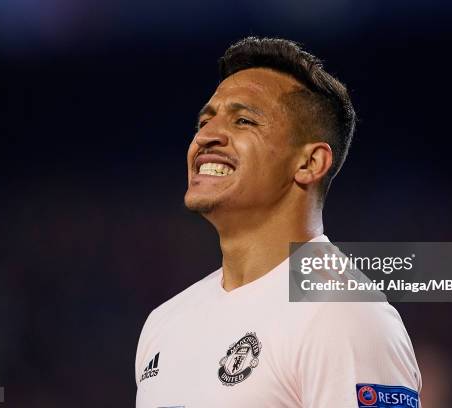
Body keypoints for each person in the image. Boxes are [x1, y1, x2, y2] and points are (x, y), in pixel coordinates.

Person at [135, 37, 422, 407]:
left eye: (243, 120)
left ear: (309, 163)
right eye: (204, 121)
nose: (205, 137)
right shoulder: (164, 324)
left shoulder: (343, 316)